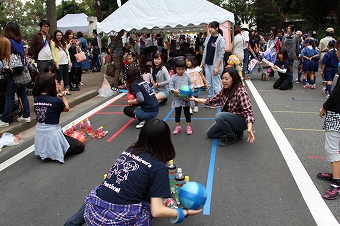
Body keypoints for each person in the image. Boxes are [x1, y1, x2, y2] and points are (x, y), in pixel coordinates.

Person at [190, 67, 255, 146]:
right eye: (222, 78)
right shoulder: (225, 90)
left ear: (234, 79)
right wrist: (194, 99)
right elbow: (211, 100)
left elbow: (248, 112)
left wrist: (249, 128)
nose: (224, 81)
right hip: (229, 119)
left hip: (241, 121)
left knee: (219, 116)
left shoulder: (241, 92)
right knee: (210, 134)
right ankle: (236, 132)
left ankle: (231, 137)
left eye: (226, 79)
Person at [33, 73, 84, 163]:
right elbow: (66, 108)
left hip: (40, 133)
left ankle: (47, 151)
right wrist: (62, 94)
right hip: (52, 133)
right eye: (55, 83)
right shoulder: (55, 101)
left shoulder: (37, 99)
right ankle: (57, 151)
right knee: (80, 146)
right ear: (50, 85)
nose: (57, 85)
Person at [317, 38, 340, 200]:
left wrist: (324, 107)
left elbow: (337, 94)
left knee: (332, 147)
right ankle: (335, 173)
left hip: (336, 113)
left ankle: (336, 183)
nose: (337, 54)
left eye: (338, 51)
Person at [0, 22, 31, 127]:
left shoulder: (8, 41)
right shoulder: (19, 42)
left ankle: (5, 119)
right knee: (22, 94)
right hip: (21, 71)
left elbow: (6, 55)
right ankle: (26, 115)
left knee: (9, 96)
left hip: (13, 72)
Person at [200, 21, 225, 99]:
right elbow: (205, 52)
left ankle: (218, 99)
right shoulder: (208, 38)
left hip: (215, 64)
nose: (209, 29)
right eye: (209, 28)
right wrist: (202, 63)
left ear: (216, 28)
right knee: (208, 83)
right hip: (207, 63)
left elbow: (221, 55)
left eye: (211, 28)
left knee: (216, 83)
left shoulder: (221, 39)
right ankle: (210, 98)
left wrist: (217, 67)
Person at [169, 58, 194, 135]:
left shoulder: (187, 76)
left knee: (187, 113)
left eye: (183, 69)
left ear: (185, 69)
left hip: (186, 98)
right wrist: (175, 90)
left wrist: (192, 88)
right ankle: (178, 126)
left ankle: (188, 126)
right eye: (179, 69)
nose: (181, 71)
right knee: (177, 114)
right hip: (177, 99)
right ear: (175, 69)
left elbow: (191, 83)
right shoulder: (173, 77)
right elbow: (170, 87)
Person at [51, 30, 72, 95]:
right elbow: (53, 53)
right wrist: (56, 62)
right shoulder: (53, 43)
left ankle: (66, 88)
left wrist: (69, 61)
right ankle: (60, 89)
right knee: (59, 76)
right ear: (55, 36)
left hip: (65, 61)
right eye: (57, 35)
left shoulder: (64, 42)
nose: (59, 36)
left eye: (60, 35)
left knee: (66, 76)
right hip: (59, 62)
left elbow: (67, 52)